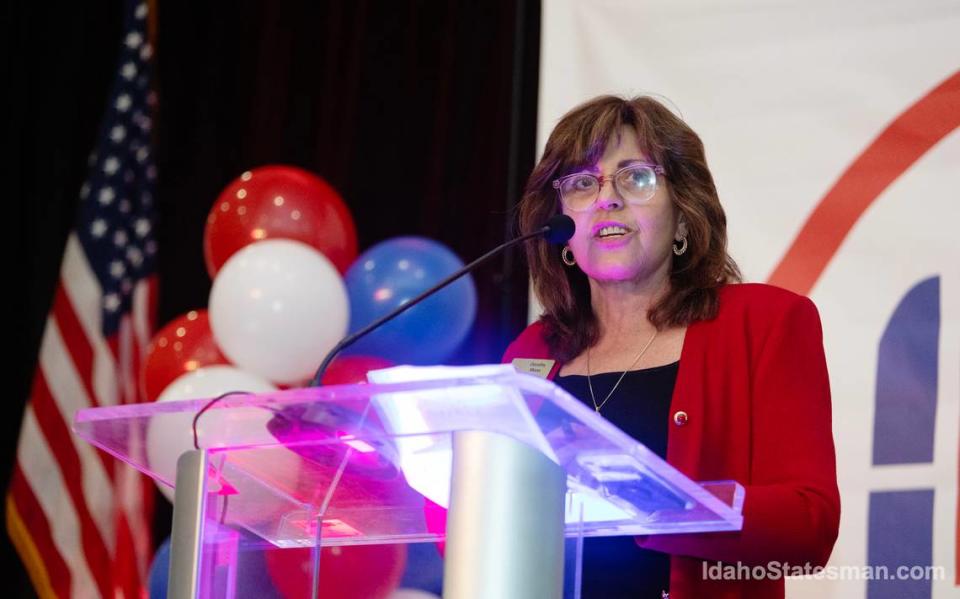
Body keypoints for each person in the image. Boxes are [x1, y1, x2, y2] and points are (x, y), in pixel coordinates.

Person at [503, 95, 840, 598]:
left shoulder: (766, 324)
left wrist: (654, 502)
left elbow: (809, 524)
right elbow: (473, 519)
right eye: (581, 183)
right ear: (561, 232)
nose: (606, 199)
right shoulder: (534, 349)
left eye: (636, 177)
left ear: (684, 215)